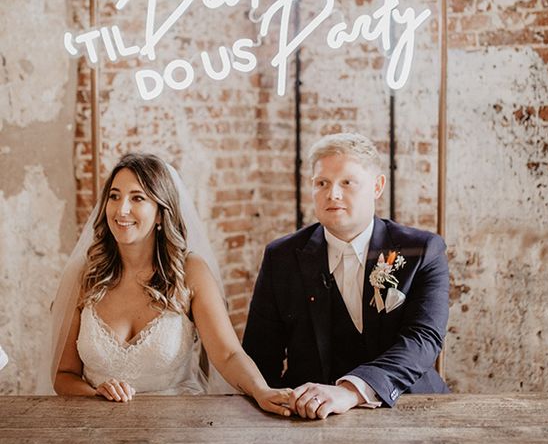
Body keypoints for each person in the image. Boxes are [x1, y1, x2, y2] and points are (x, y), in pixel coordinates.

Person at [52, 153, 291, 416]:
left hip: (176, 425)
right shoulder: (85, 275)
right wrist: (96, 394)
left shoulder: (190, 272)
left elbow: (228, 355)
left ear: (159, 213)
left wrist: (261, 390)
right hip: (99, 426)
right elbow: (63, 375)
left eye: (137, 198)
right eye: (114, 196)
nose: (121, 210)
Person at [242, 132, 450, 419]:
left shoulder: (421, 250)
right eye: (322, 183)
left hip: (408, 408)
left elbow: (423, 339)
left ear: (377, 187)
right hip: (310, 416)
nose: (333, 194)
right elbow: (260, 355)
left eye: (347, 183)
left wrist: (351, 391)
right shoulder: (282, 256)